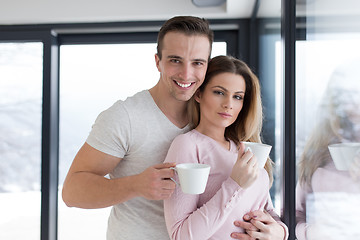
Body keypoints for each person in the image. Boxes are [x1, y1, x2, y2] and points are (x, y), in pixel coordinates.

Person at [62, 16, 214, 240]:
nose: (186, 74)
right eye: (175, 60)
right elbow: (71, 192)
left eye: (197, 63)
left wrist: (277, 228)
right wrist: (135, 185)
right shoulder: (125, 117)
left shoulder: (213, 115)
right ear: (157, 62)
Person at [163, 55, 288, 240]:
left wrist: (281, 232)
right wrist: (235, 184)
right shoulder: (188, 146)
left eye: (237, 97)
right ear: (199, 94)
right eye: (219, 92)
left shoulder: (245, 148)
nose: (228, 104)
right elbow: (181, 235)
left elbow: (266, 209)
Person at [295, 59, 360, 240]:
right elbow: (293, 214)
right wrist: (310, 233)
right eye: (346, 95)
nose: (354, 103)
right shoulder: (319, 149)